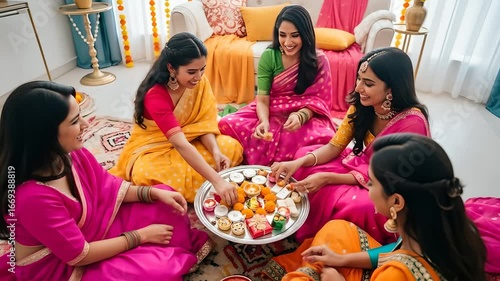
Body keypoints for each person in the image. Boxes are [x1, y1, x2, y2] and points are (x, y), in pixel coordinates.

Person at [0, 81, 212, 281]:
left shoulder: (70, 153)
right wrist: (139, 236)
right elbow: (79, 256)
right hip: (64, 266)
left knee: (165, 202)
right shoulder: (32, 199)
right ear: (44, 135)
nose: (85, 125)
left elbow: (108, 188)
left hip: (93, 228)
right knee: (156, 271)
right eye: (74, 121)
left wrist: (151, 193)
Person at [262, 133, 487, 281]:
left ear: (397, 202)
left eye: (370, 183)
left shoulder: (398, 273)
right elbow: (392, 251)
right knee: (337, 230)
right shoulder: (440, 229)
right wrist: (341, 260)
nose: (366, 190)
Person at [272, 47, 431, 244]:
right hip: (363, 168)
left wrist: (329, 178)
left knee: (359, 206)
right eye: (359, 79)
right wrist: (299, 162)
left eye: (368, 83)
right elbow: (335, 146)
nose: (358, 88)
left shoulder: (412, 123)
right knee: (304, 156)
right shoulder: (362, 104)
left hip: (389, 189)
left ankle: (337, 240)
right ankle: (313, 224)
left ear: (392, 89)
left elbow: (390, 178)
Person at [110, 32, 243, 204]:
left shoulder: (197, 82)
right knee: (144, 174)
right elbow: (180, 143)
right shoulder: (156, 96)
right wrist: (216, 180)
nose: (199, 76)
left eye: (202, 69)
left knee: (231, 148)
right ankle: (211, 183)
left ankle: (205, 181)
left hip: (190, 140)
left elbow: (201, 124)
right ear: (171, 68)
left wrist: (215, 151)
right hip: (155, 148)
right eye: (191, 71)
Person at [218, 5, 336, 166]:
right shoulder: (269, 56)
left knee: (326, 139)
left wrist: (300, 116)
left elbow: (319, 102)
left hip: (304, 115)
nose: (288, 42)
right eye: (282, 35)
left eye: (295, 36)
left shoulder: (320, 61)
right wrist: (264, 121)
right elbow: (262, 99)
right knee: (227, 123)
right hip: (272, 108)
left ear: (306, 35)